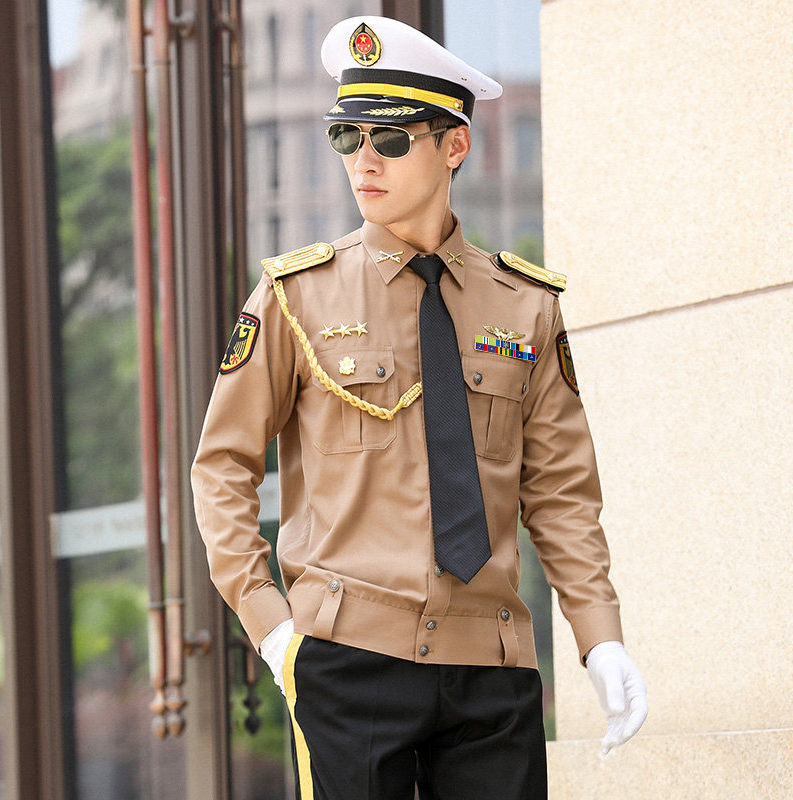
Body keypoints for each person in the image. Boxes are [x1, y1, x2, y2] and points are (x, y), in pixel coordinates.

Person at [191, 15, 647, 800]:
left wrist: (599, 636)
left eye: (392, 140)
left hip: (492, 667)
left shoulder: (526, 306)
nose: (363, 160)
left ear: (455, 146)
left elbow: (562, 495)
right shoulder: (296, 296)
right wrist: (271, 625)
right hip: (347, 662)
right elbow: (220, 467)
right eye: (347, 136)